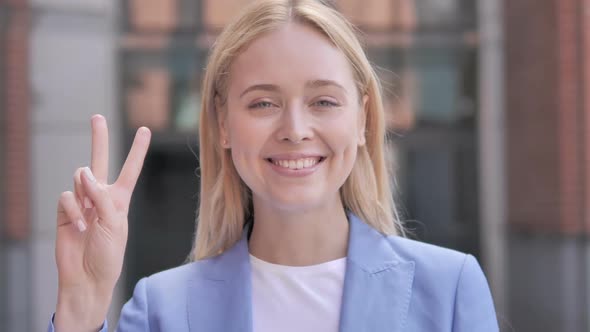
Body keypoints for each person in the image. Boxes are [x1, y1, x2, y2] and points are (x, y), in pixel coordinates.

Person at [49, 0, 499, 331]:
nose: (295, 128)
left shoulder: (450, 289)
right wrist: (80, 310)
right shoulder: (161, 309)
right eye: (263, 103)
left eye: (323, 101)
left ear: (362, 119)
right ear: (223, 123)